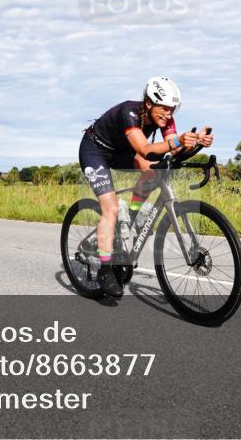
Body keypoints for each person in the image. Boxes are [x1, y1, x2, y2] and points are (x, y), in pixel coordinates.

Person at [79, 77, 213, 297]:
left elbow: (172, 148)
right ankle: (104, 269)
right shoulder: (129, 113)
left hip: (123, 152)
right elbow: (145, 149)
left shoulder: (166, 119)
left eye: (172, 110)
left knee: (153, 172)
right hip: (95, 151)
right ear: (149, 103)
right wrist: (178, 141)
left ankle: (130, 220)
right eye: (164, 108)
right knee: (110, 208)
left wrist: (196, 141)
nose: (168, 115)